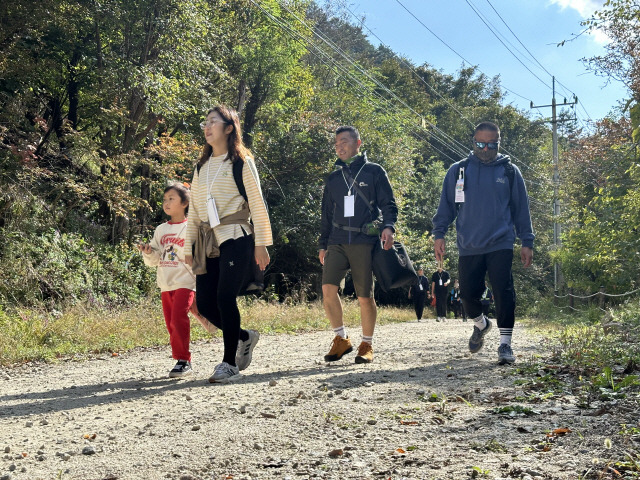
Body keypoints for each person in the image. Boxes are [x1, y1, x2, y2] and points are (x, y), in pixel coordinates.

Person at [432, 121, 534, 365]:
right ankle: (481, 324)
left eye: (492, 144)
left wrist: (526, 240)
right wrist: (439, 234)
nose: (486, 149)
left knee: (503, 291)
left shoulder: (510, 172)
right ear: (473, 142)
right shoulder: (458, 171)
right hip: (469, 243)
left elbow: (521, 209)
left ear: (499, 143)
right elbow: (446, 206)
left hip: (501, 242)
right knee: (467, 294)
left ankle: (505, 345)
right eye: (480, 143)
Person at [184, 105, 272, 383]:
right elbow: (195, 211)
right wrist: (188, 248)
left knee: (224, 297)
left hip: (237, 235)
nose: (207, 127)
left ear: (229, 128)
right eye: (205, 122)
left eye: (213, 122)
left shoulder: (241, 162)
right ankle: (245, 337)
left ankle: (228, 363)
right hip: (209, 240)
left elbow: (256, 203)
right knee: (206, 305)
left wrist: (262, 242)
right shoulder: (202, 167)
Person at [319, 125, 398, 364]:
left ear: (358, 143)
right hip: (337, 241)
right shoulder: (333, 177)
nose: (339, 147)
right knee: (328, 289)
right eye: (336, 144)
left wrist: (388, 226)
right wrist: (323, 244)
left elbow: (389, 205)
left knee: (365, 296)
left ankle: (367, 344)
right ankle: (341, 339)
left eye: (344, 141)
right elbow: (325, 214)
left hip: (364, 240)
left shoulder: (374, 172)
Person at [139, 184, 196, 378]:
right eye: (164, 199)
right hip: (166, 282)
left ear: (185, 203)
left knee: (178, 317)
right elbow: (155, 259)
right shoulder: (161, 229)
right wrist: (148, 252)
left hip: (187, 281)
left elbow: (201, 253)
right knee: (170, 322)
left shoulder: (192, 226)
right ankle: (181, 359)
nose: (166, 202)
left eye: (172, 198)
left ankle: (183, 360)